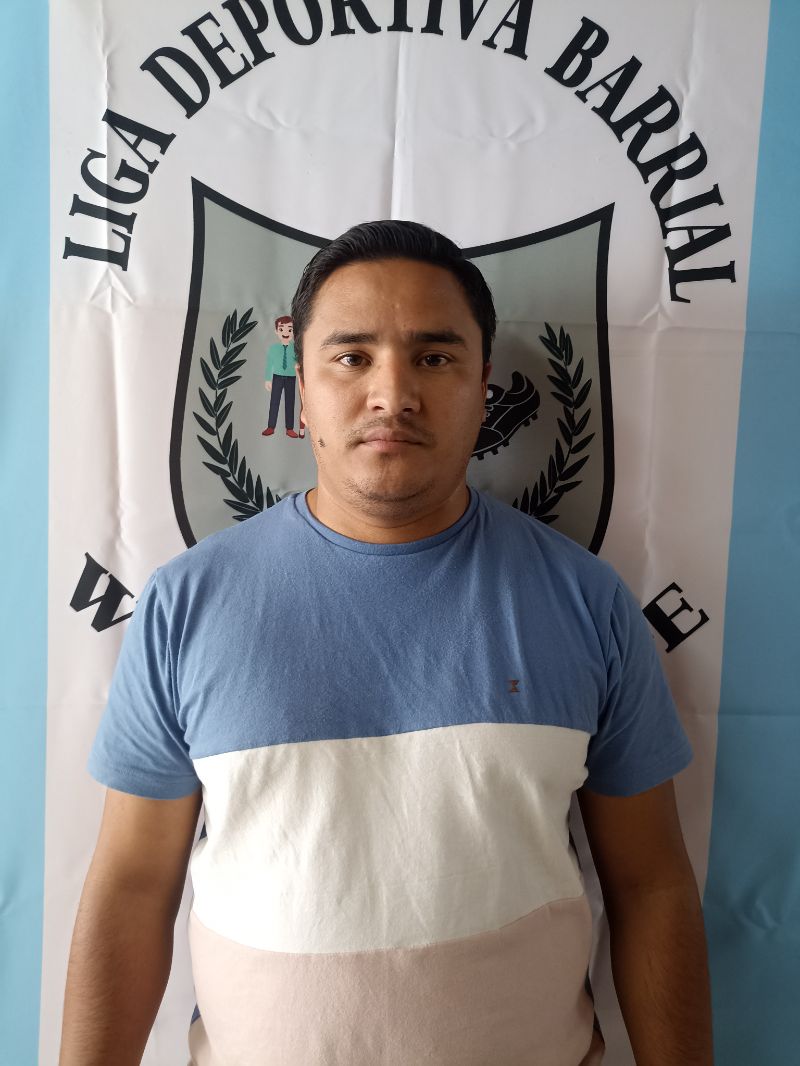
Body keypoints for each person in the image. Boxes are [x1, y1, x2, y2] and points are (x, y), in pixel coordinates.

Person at [60, 221, 714, 1066]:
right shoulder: (186, 604)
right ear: (301, 384)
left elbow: (651, 886)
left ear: (484, 385)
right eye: (352, 356)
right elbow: (131, 888)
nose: (392, 393)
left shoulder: (587, 602)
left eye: (434, 357)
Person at [262, 314, 303, 438]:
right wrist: (268, 379)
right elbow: (269, 364)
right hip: (277, 377)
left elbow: (299, 362)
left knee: (290, 402)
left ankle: (289, 428)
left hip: (291, 377)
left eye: (289, 330)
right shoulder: (273, 348)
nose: (286, 332)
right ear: (276, 331)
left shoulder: (295, 349)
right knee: (274, 402)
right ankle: (271, 426)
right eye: (282, 329)